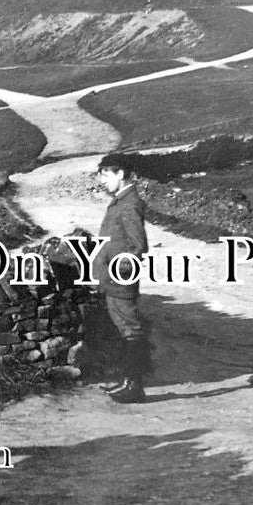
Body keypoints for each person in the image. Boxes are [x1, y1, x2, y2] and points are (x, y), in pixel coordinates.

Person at [92, 154, 151, 403]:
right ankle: (127, 381)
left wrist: (119, 270)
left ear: (120, 173)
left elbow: (138, 246)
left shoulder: (129, 204)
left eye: (106, 175)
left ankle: (134, 386)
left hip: (120, 280)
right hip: (113, 280)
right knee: (124, 329)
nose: (102, 180)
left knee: (131, 330)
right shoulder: (121, 201)